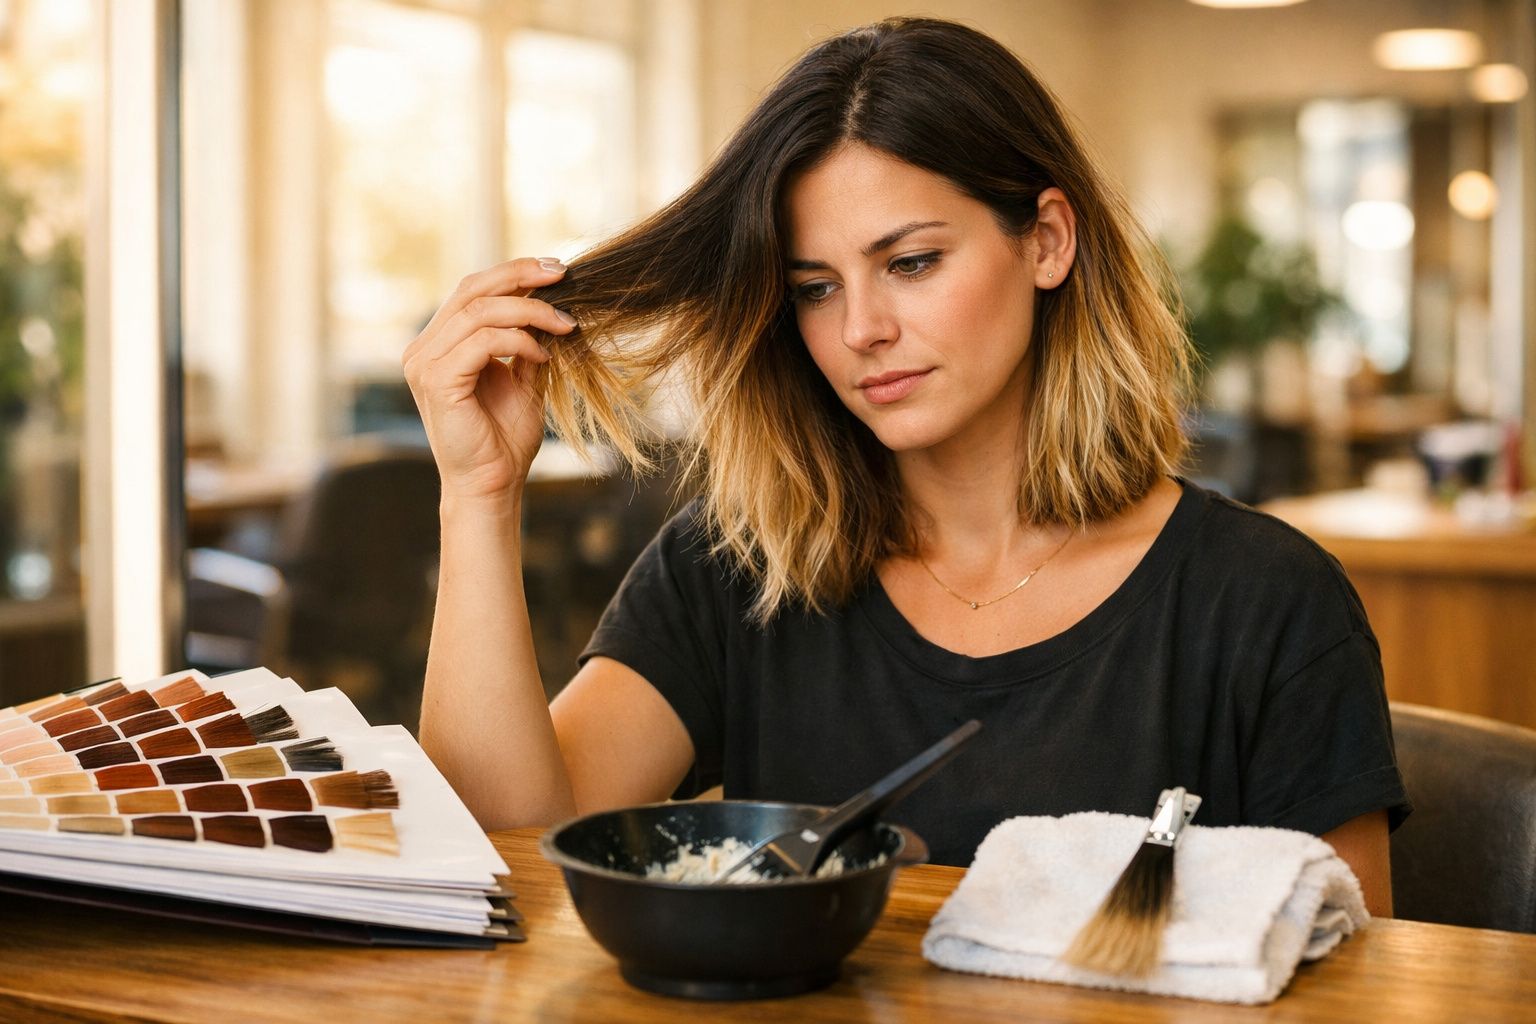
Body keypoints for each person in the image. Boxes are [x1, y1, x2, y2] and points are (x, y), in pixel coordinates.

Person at [404, 17, 1408, 914]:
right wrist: (478, 494)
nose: (862, 330)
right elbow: (504, 860)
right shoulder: (739, 568)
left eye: (912, 262)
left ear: (1048, 240)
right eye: (814, 286)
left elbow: (1352, 981)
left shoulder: (1268, 602)